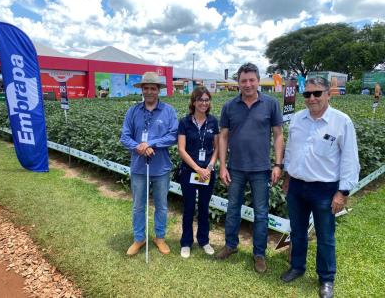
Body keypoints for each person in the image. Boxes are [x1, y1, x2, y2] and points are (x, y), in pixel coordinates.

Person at [280, 77, 360, 298]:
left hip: (325, 189)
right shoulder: (297, 119)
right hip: (296, 187)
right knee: (297, 232)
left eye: (317, 93)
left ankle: (326, 278)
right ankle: (297, 267)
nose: (312, 98)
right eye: (307, 94)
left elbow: (350, 160)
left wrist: (342, 192)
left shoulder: (341, 122)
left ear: (328, 94)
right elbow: (290, 151)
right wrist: (288, 176)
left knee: (325, 235)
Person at [216, 63, 284, 274]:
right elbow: (223, 137)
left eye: (251, 80)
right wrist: (222, 165)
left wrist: (278, 164)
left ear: (258, 80)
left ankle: (259, 254)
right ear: (238, 82)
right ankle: (230, 245)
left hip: (261, 169)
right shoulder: (229, 106)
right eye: (243, 81)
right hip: (235, 168)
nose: (248, 84)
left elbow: (279, 135)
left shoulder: (271, 104)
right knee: (233, 209)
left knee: (261, 213)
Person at [120, 72, 178, 256]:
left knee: (161, 205)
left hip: (161, 168)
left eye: (153, 88)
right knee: (138, 205)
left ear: (158, 90)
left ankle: (159, 237)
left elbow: (173, 135)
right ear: (142, 90)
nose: (149, 91)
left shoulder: (168, 111)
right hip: (139, 167)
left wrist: (151, 144)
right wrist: (139, 147)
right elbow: (125, 136)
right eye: (146, 88)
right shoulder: (133, 111)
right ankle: (139, 238)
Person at [177, 86, 219, 258]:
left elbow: (217, 148)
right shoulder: (184, 122)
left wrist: (208, 167)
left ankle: (204, 240)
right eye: (200, 99)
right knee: (188, 207)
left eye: (206, 100)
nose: (203, 103)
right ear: (193, 102)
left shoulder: (213, 121)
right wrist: (197, 169)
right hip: (189, 171)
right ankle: (186, 242)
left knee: (203, 207)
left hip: (207, 173)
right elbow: (181, 149)